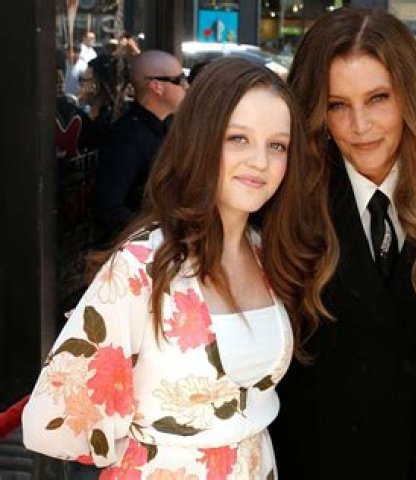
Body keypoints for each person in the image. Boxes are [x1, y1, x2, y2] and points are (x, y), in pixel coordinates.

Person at [23, 58, 302, 478]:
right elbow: (58, 419)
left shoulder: (267, 253)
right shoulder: (142, 265)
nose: (260, 161)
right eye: (238, 138)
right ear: (200, 140)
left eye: (277, 145)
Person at [265, 7, 416, 479]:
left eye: (378, 98)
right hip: (309, 461)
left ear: (410, 95)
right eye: (338, 105)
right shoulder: (282, 200)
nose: (360, 126)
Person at [93, 50, 188, 247]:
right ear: (157, 86)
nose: (187, 86)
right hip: (139, 252)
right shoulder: (126, 139)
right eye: (180, 80)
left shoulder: (166, 128)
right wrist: (160, 236)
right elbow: (109, 207)